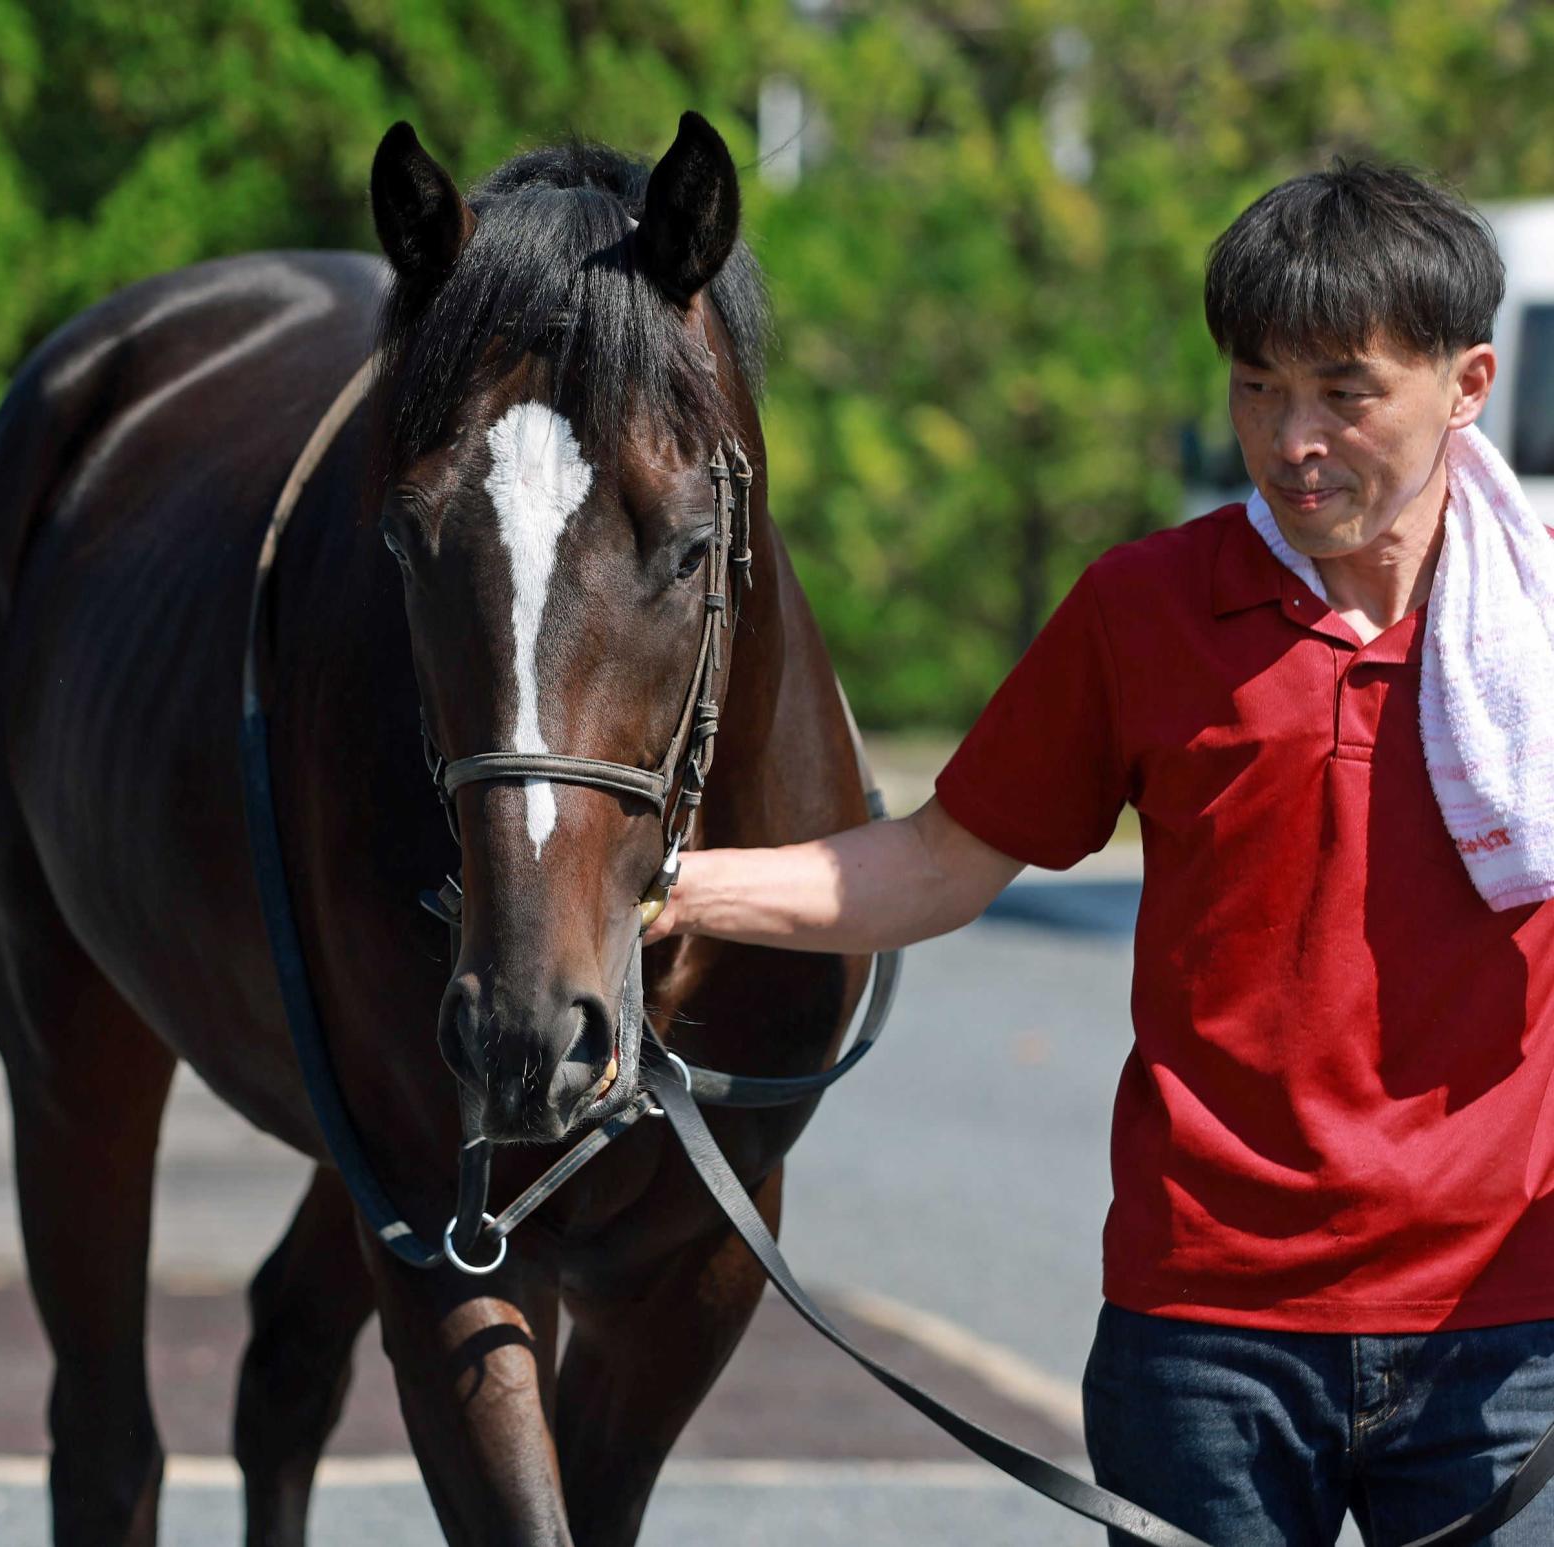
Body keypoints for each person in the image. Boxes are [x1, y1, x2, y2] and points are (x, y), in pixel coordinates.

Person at [643, 162, 1554, 1544]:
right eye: (1256, 387)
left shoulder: (1535, 634)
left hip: (1513, 1331)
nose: (1290, 438)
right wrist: (656, 890)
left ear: (1468, 380)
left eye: (1343, 391)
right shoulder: (1143, 611)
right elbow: (941, 863)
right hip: (1205, 1337)